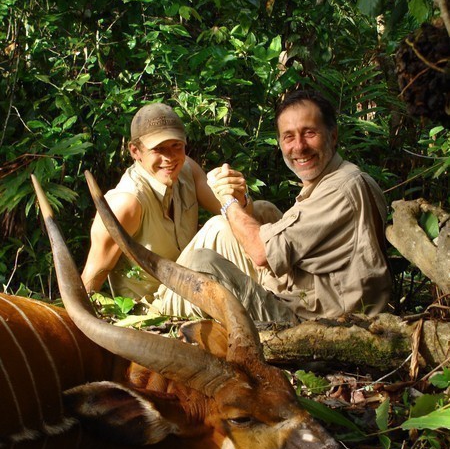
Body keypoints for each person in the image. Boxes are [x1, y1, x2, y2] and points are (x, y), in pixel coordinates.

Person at [153, 89, 391, 322]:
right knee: (260, 210)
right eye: (289, 136)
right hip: (304, 298)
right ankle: (162, 301)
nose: (299, 146)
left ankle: (158, 313)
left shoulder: (341, 187)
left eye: (309, 133)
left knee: (200, 263)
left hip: (316, 321)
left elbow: (260, 252)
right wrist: (241, 200)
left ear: (333, 135)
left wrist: (226, 200)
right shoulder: (333, 180)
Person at [81, 102, 249, 300]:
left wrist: (239, 196)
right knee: (219, 226)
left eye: (176, 146)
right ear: (135, 151)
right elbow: (89, 281)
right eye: (158, 149)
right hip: (156, 304)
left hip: (194, 285)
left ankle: (283, 296)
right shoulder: (126, 204)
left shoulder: (187, 170)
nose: (169, 158)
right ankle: (269, 310)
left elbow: (235, 213)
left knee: (263, 209)